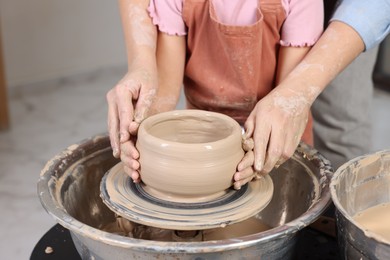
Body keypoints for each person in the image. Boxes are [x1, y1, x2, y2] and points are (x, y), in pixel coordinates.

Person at [107, 0, 390, 189]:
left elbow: (288, 99)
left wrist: (260, 147)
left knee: (339, 129)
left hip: (274, 131)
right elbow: (164, 97)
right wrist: (146, 131)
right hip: (204, 123)